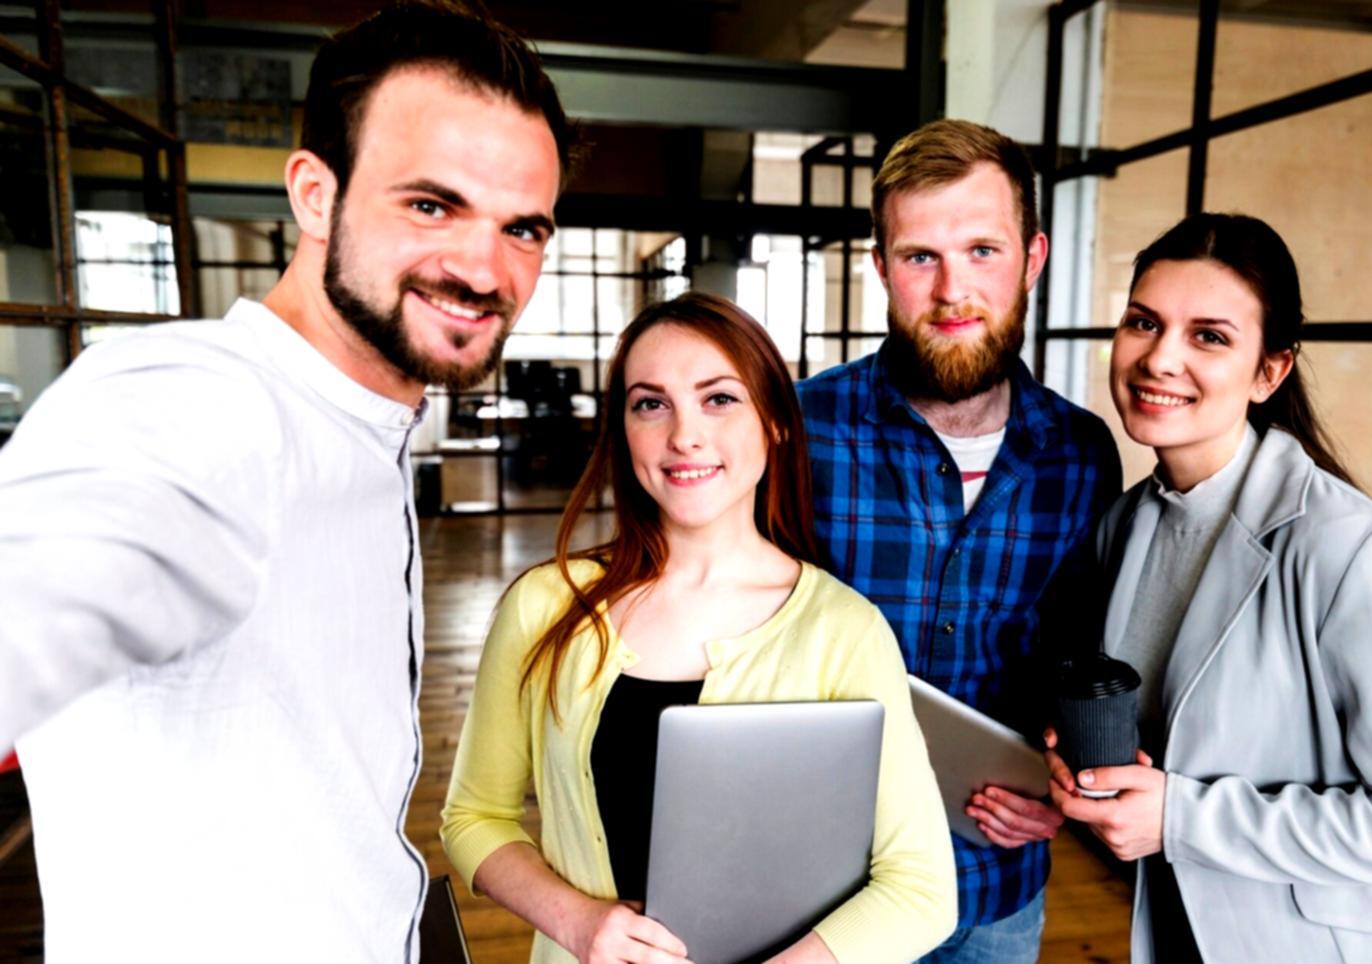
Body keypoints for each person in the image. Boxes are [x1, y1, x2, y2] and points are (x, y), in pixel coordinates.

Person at [0, 3, 573, 960]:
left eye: (523, 227)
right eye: (430, 205)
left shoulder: (368, 418)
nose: (483, 267)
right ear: (315, 195)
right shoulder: (197, 406)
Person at [440, 292, 958, 964]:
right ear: (624, 431)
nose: (684, 434)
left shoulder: (844, 630)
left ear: (773, 421)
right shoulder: (545, 607)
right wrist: (578, 922)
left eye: (719, 399)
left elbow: (920, 890)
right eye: (650, 403)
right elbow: (473, 818)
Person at [1045, 212, 1372, 962]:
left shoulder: (1354, 554)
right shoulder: (1123, 527)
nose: (1160, 358)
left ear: (1271, 370)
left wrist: (1184, 820)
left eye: (1209, 337)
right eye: (1143, 322)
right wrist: (1090, 761)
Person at [796, 118, 1123, 960]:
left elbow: (1072, 662)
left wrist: (1060, 785)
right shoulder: (794, 429)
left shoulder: (1083, 456)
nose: (953, 291)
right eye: (920, 257)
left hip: (991, 884)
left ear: (1034, 260)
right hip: (819, 886)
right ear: (880, 268)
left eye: (983, 250)